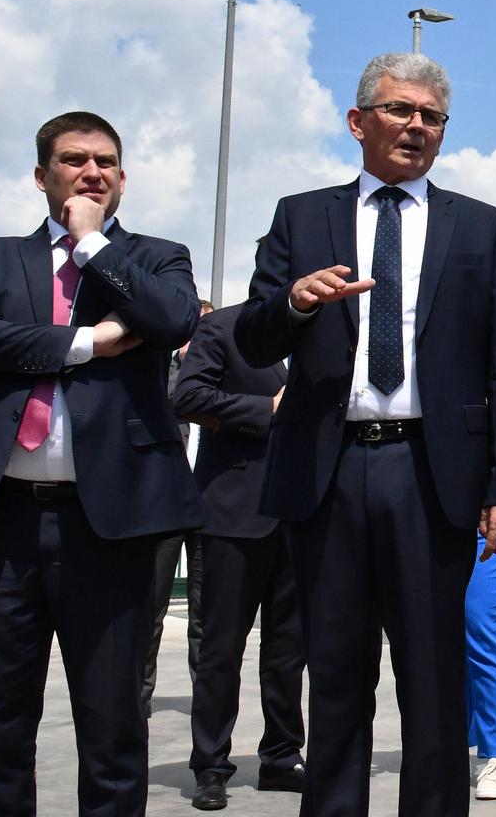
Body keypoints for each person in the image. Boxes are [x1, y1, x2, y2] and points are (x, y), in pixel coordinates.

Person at [235, 52, 496, 817]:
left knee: (434, 683)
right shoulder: (302, 217)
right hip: (328, 472)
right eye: (400, 110)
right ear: (357, 121)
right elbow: (252, 337)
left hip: (432, 476)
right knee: (336, 679)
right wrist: (295, 303)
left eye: (432, 116)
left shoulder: (479, 226)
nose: (416, 126)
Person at [0, 110, 204, 817]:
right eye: (74, 160)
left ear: (123, 179)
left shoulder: (157, 258)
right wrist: (83, 343)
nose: (91, 172)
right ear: (42, 175)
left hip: (111, 526)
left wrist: (92, 243)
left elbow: (172, 321)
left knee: (113, 725)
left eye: (105, 162)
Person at [173, 304, 304, 810]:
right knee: (221, 649)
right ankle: (210, 765)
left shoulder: (326, 333)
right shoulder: (223, 326)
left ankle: (282, 757)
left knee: (289, 650)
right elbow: (188, 396)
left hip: (302, 514)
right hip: (233, 513)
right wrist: (266, 409)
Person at [143, 298, 214, 716]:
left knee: (206, 612)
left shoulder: (225, 372)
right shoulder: (163, 371)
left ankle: (206, 698)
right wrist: (187, 363)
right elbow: (166, 403)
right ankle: (138, 697)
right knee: (149, 606)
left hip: (211, 508)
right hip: (165, 506)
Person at [464, 535, 496, 800]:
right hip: (433, 530)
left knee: (481, 633)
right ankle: (452, 741)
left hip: (484, 531)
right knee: (442, 642)